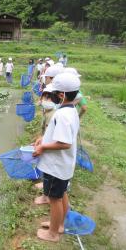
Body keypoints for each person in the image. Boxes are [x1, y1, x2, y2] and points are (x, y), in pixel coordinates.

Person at [33, 72, 81, 242]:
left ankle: (53, 234)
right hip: (63, 166)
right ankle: (59, 225)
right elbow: (59, 136)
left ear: (61, 95)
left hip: (56, 166)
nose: (50, 96)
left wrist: (43, 146)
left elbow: (64, 143)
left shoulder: (62, 115)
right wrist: (44, 139)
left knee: (54, 199)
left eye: (53, 93)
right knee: (61, 195)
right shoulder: (69, 110)